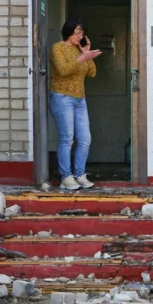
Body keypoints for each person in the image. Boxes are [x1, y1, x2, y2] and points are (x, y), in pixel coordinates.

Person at [49, 17, 101, 190]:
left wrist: (86, 54)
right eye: (78, 32)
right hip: (62, 97)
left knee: (85, 139)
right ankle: (66, 176)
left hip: (80, 99)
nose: (80, 36)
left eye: (82, 33)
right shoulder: (58, 48)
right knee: (67, 139)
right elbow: (63, 70)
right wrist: (82, 58)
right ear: (69, 31)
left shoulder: (80, 51)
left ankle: (80, 174)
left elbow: (92, 73)